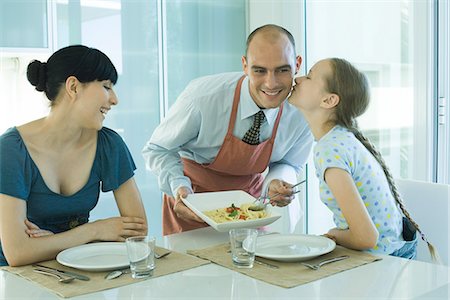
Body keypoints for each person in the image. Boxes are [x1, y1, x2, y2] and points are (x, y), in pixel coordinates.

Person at [142, 24, 313, 235]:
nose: (271, 83)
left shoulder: (303, 110)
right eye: (259, 70)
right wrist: (179, 187)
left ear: (297, 64)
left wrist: (276, 182)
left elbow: (289, 163)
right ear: (245, 65)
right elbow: (158, 148)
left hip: (250, 207)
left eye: (282, 70)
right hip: (193, 202)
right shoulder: (202, 98)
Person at [0, 45, 148, 267]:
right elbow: (18, 253)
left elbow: (137, 232)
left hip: (82, 268)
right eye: (106, 87)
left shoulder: (109, 144)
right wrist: (94, 230)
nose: (115, 99)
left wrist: (54, 242)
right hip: (18, 279)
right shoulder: (12, 150)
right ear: (73, 87)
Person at [288, 57, 439, 260]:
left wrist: (333, 235)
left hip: (385, 263)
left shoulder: (330, 149)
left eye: (309, 76)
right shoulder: (341, 138)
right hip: (395, 254)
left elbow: (366, 238)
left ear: (329, 100)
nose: (297, 79)